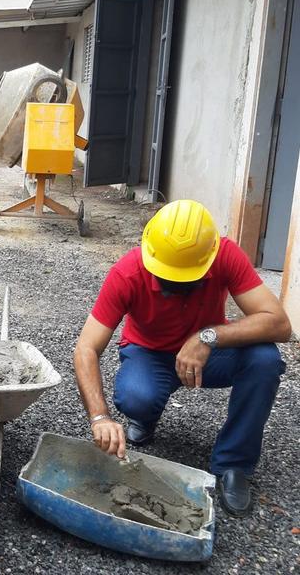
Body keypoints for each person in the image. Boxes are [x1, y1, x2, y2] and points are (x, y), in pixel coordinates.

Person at [74, 199, 290, 516]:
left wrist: (209, 337)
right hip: (150, 354)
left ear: (208, 258)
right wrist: (99, 417)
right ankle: (144, 417)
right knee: (136, 397)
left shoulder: (225, 254)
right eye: (167, 277)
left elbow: (279, 323)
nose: (174, 284)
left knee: (265, 360)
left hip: (208, 354)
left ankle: (234, 465)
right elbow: (85, 348)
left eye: (185, 278)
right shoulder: (127, 272)